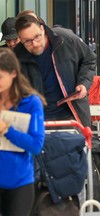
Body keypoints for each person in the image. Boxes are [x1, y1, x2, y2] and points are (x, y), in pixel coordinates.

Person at [14, 14, 96, 127]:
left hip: (71, 114)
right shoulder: (17, 55)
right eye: (27, 41)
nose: (35, 44)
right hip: (36, 119)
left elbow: (89, 60)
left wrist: (83, 83)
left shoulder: (66, 38)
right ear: (20, 39)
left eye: (37, 37)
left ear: (42, 28)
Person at [0, 48, 46, 216]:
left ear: (13, 73)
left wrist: (7, 130)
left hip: (18, 182)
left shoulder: (31, 102)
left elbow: (36, 145)